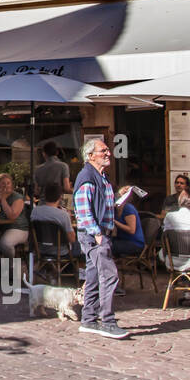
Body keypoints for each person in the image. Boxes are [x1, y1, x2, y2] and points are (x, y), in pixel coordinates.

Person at [74, 139, 127, 339]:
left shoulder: (100, 176)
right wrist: (97, 235)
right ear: (90, 156)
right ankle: (108, 321)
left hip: (99, 233)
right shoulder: (87, 176)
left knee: (94, 276)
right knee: (109, 275)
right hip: (94, 235)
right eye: (103, 150)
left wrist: (118, 196)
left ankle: (88, 319)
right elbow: (83, 209)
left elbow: (102, 202)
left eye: (107, 150)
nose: (108, 153)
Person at [30, 182, 79, 253]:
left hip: (39, 249)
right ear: (60, 197)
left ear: (45, 195)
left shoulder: (35, 211)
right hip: (60, 251)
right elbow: (72, 239)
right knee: (79, 244)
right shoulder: (63, 214)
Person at [0, 173, 28, 258]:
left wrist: (3, 200)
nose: (6, 185)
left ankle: (9, 265)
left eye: (8, 183)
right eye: (3, 183)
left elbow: (12, 216)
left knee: (5, 243)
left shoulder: (17, 198)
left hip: (17, 228)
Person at [111, 186, 145, 258]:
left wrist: (114, 221)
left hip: (134, 243)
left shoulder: (128, 208)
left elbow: (131, 230)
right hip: (122, 240)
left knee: (109, 247)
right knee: (104, 242)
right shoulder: (116, 209)